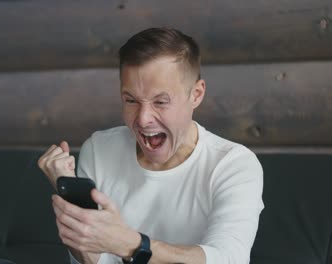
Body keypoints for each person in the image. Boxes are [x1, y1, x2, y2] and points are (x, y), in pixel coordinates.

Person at [38, 27, 264, 264]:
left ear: (196, 94)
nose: (143, 118)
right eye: (131, 100)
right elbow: (94, 261)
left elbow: (229, 258)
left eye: (160, 101)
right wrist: (75, 203)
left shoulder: (234, 164)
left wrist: (131, 244)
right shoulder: (98, 151)